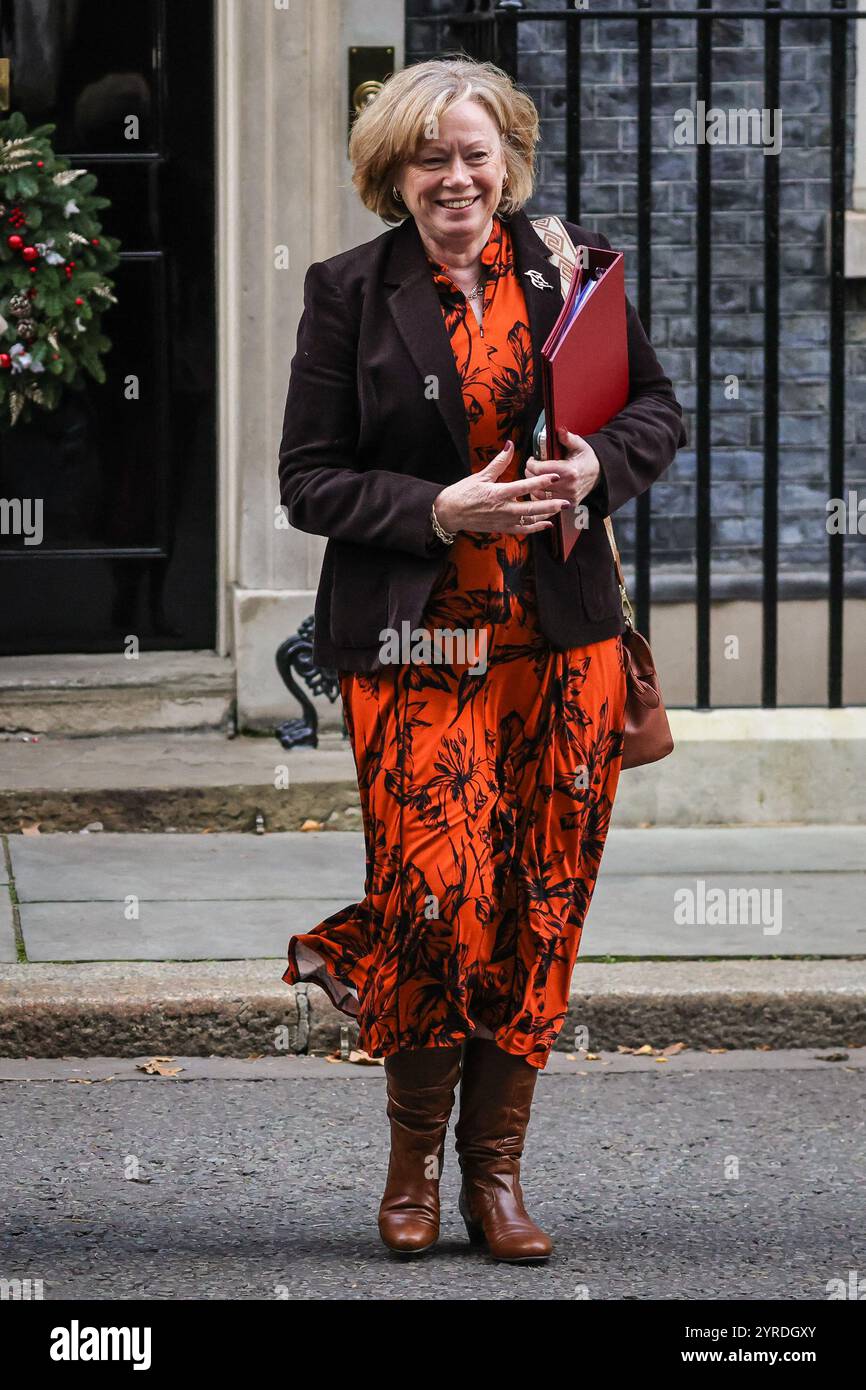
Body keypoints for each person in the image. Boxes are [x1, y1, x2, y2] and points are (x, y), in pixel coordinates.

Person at [277, 56, 687, 1263]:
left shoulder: (571, 271)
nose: (456, 177)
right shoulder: (349, 292)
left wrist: (595, 467)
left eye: (474, 153)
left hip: (561, 647)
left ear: (506, 157)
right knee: (435, 900)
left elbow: (653, 408)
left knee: (538, 903)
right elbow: (307, 480)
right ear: (390, 173)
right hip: (417, 646)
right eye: (429, 157)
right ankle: (409, 1165)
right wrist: (435, 511)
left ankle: (492, 1180)